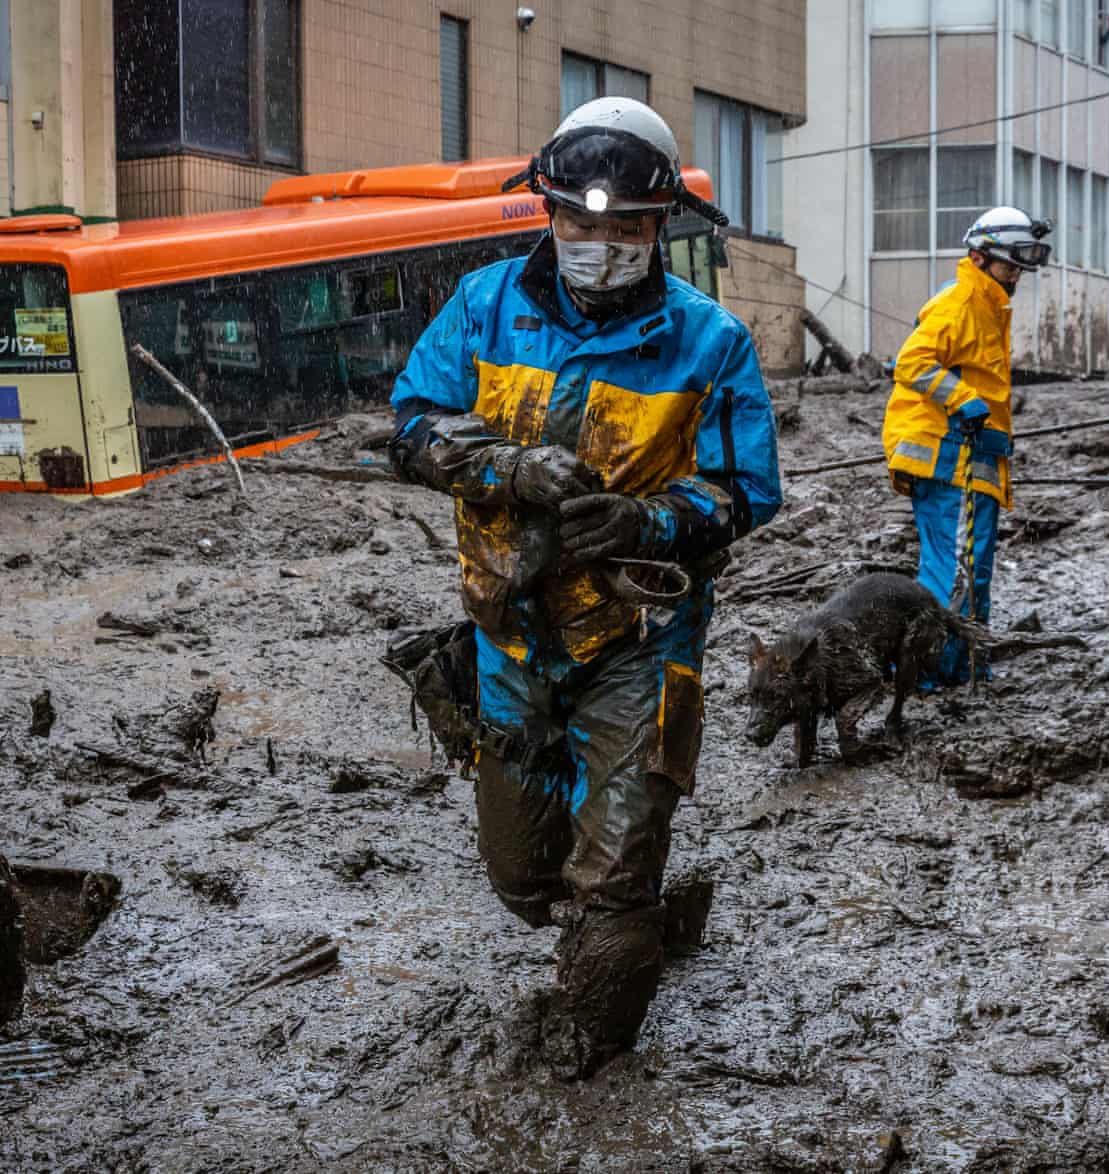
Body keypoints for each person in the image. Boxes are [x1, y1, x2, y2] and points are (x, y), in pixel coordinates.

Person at [387, 97, 782, 1076]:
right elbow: (408, 423)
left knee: (605, 892)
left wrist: (652, 521)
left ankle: (595, 1036)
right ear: (547, 214)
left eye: (622, 227)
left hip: (639, 642)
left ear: (658, 229)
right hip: (507, 631)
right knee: (522, 877)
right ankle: (635, 894)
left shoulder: (710, 343)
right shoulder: (482, 305)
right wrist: (499, 466)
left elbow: (748, 489)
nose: (596, 242)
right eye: (577, 221)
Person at [884, 207, 1052, 686]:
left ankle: (964, 664)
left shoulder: (988, 304)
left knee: (971, 570)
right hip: (945, 458)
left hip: (971, 457)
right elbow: (911, 363)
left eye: (1023, 265)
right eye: (1010, 264)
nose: (1017, 273)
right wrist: (965, 402)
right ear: (981, 257)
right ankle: (928, 670)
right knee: (953, 571)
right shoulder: (959, 302)